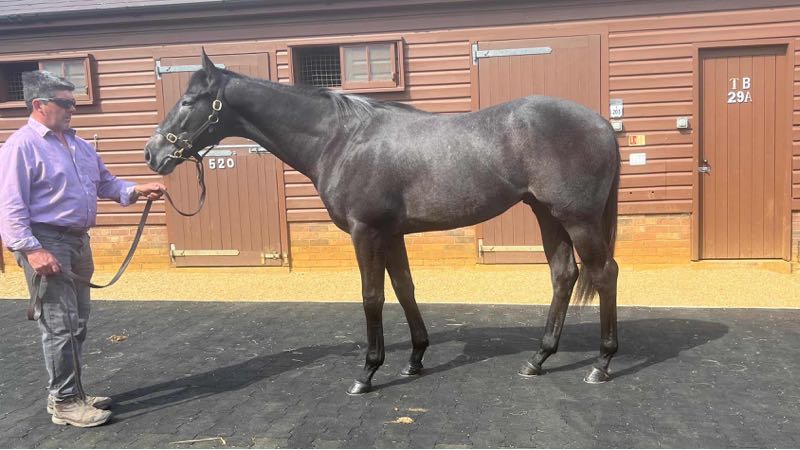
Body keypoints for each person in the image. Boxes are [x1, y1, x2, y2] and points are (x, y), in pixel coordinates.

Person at [0, 71, 165, 428]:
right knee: (59, 326)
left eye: (73, 102)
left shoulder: (79, 145)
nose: (73, 109)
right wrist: (32, 250)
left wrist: (135, 190)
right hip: (46, 242)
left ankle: (69, 392)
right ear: (39, 105)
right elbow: (10, 207)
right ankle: (64, 403)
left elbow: (105, 183)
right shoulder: (20, 147)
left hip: (77, 240)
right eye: (65, 103)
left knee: (77, 323)